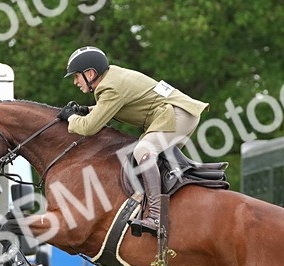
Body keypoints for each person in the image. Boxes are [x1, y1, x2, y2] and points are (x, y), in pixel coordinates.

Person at [58, 47, 208, 236]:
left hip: (176, 114)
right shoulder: (113, 77)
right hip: (180, 112)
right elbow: (113, 106)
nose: (75, 82)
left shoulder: (109, 87)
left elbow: (89, 128)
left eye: (76, 76)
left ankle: (155, 217)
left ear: (90, 73)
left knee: (143, 151)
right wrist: (87, 109)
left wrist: (71, 118)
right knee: (151, 163)